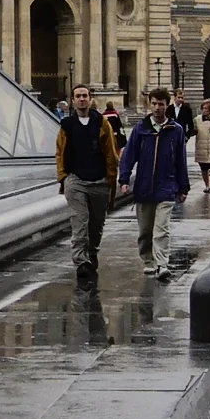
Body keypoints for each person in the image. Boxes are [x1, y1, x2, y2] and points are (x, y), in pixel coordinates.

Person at [117, 87, 189, 281]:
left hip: (167, 187)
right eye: (154, 104)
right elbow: (129, 155)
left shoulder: (176, 130)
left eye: (161, 104)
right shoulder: (141, 129)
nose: (157, 108)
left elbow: (181, 160)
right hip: (144, 186)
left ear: (168, 105)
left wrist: (184, 187)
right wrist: (124, 179)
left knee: (161, 229)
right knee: (145, 231)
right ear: (150, 104)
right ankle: (148, 261)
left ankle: (162, 264)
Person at [56, 82, 118, 281]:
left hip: (99, 180)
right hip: (76, 180)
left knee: (96, 224)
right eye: (78, 96)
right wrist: (63, 177)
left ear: (90, 99)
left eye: (85, 95)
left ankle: (92, 252)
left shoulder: (102, 123)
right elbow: (59, 152)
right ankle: (81, 262)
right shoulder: (66, 125)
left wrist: (111, 178)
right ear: (73, 100)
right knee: (79, 222)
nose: (82, 99)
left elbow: (110, 151)